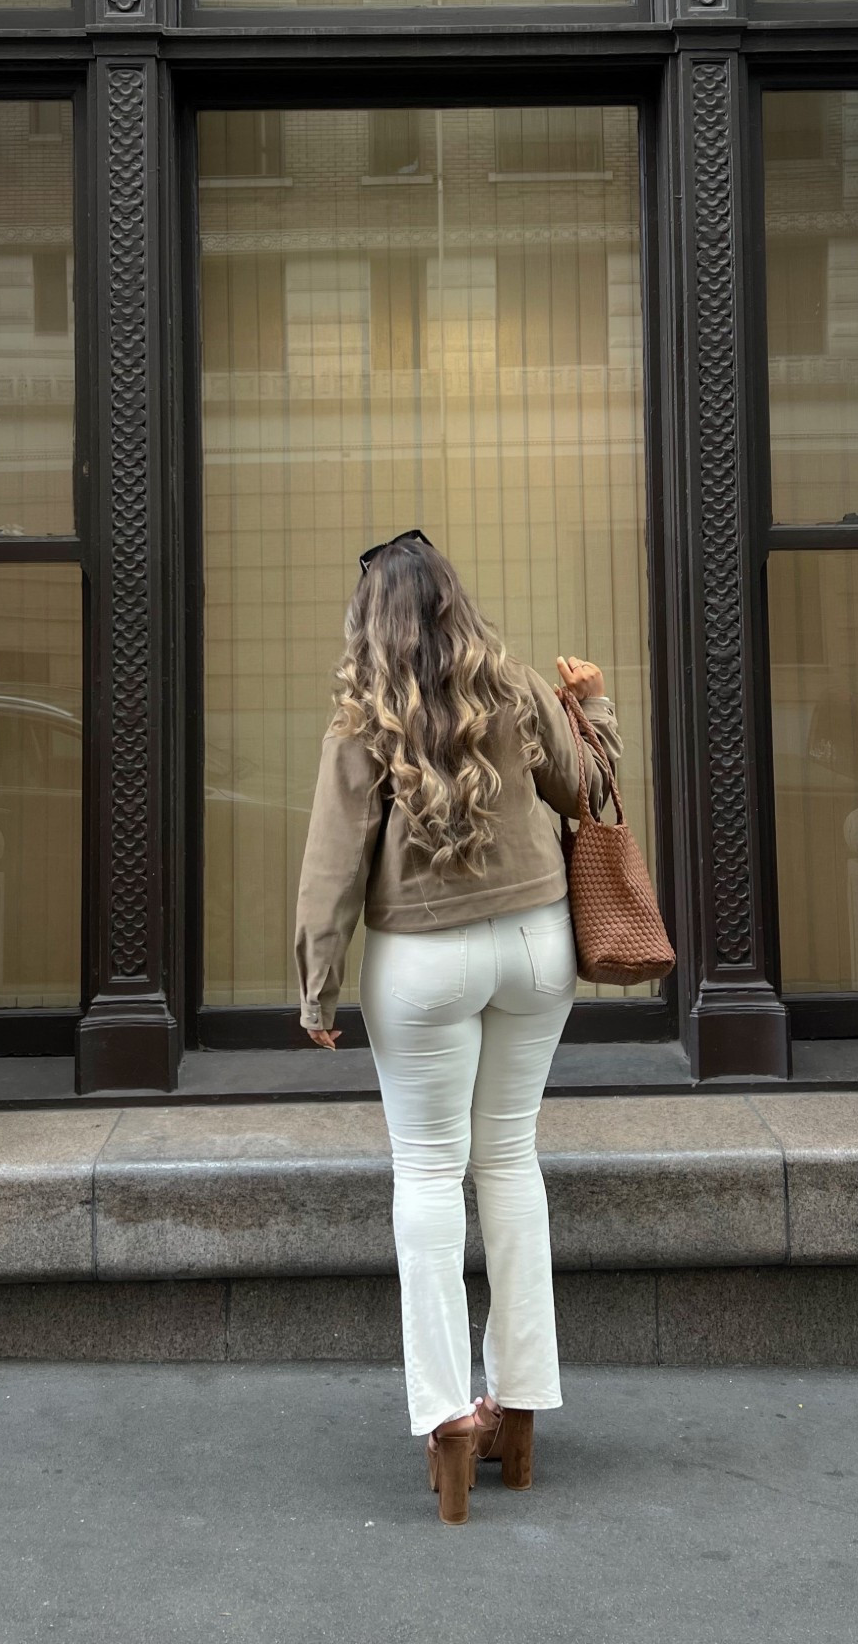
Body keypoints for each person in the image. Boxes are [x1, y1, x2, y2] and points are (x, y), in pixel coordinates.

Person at [293, 530, 623, 1526]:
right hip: (534, 948)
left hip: (425, 966)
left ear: (371, 622)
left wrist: (316, 987)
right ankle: (520, 1403)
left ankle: (447, 1421)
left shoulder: (362, 720)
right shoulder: (517, 689)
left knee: (431, 1172)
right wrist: (593, 699)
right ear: (455, 603)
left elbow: (329, 870)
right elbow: (591, 786)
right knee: (510, 1160)